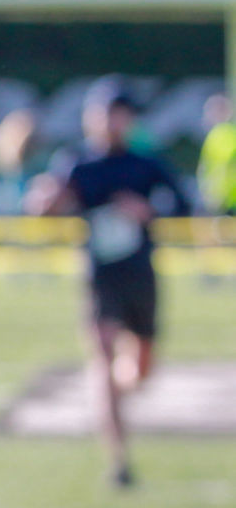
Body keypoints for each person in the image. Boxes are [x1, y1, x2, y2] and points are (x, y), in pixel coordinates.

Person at [26, 79, 188, 487]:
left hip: (141, 275)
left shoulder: (146, 163)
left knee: (141, 369)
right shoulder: (78, 163)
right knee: (102, 359)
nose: (111, 122)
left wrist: (146, 209)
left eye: (119, 114)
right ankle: (118, 460)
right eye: (103, 114)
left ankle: (118, 394)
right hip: (100, 278)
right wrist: (46, 201)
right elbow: (48, 204)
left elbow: (183, 204)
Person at [198, 93, 236, 217]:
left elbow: (225, 167)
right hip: (220, 200)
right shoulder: (213, 136)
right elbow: (206, 168)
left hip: (227, 200)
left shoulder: (226, 134)